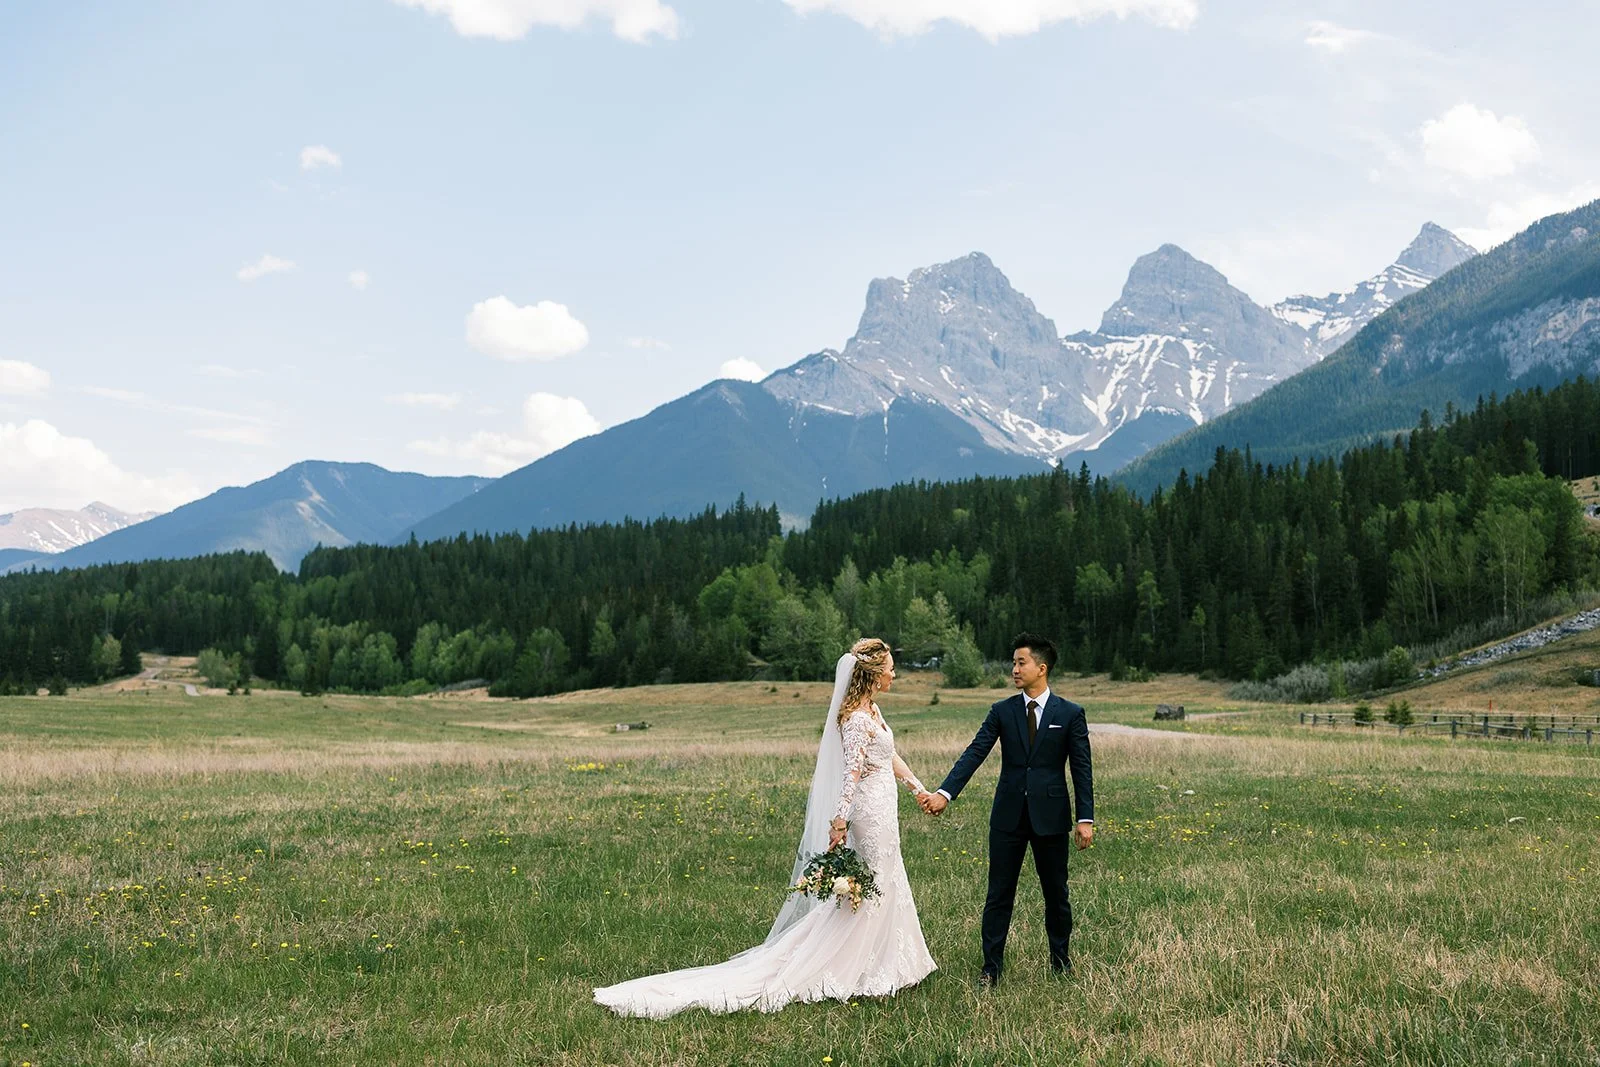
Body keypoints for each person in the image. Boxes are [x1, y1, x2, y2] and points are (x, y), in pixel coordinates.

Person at [593, 638, 937, 1017]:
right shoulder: (855, 719)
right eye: (889, 669)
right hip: (868, 812)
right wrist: (840, 820)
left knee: (887, 880)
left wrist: (919, 789)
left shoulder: (873, 710)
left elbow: (890, 756)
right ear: (872, 675)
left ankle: (892, 961)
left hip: (885, 807)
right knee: (873, 885)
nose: (894, 675)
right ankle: (853, 966)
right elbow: (851, 774)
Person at [920, 633, 1093, 985]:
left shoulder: (1070, 713)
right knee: (999, 894)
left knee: (1056, 894)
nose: (1014, 669)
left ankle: (1061, 962)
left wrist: (1085, 818)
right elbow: (975, 752)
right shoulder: (1001, 711)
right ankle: (991, 968)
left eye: (1021, 662)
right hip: (1007, 817)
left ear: (1041, 668)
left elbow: (1081, 768)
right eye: (1013, 663)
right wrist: (945, 793)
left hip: (1051, 818)